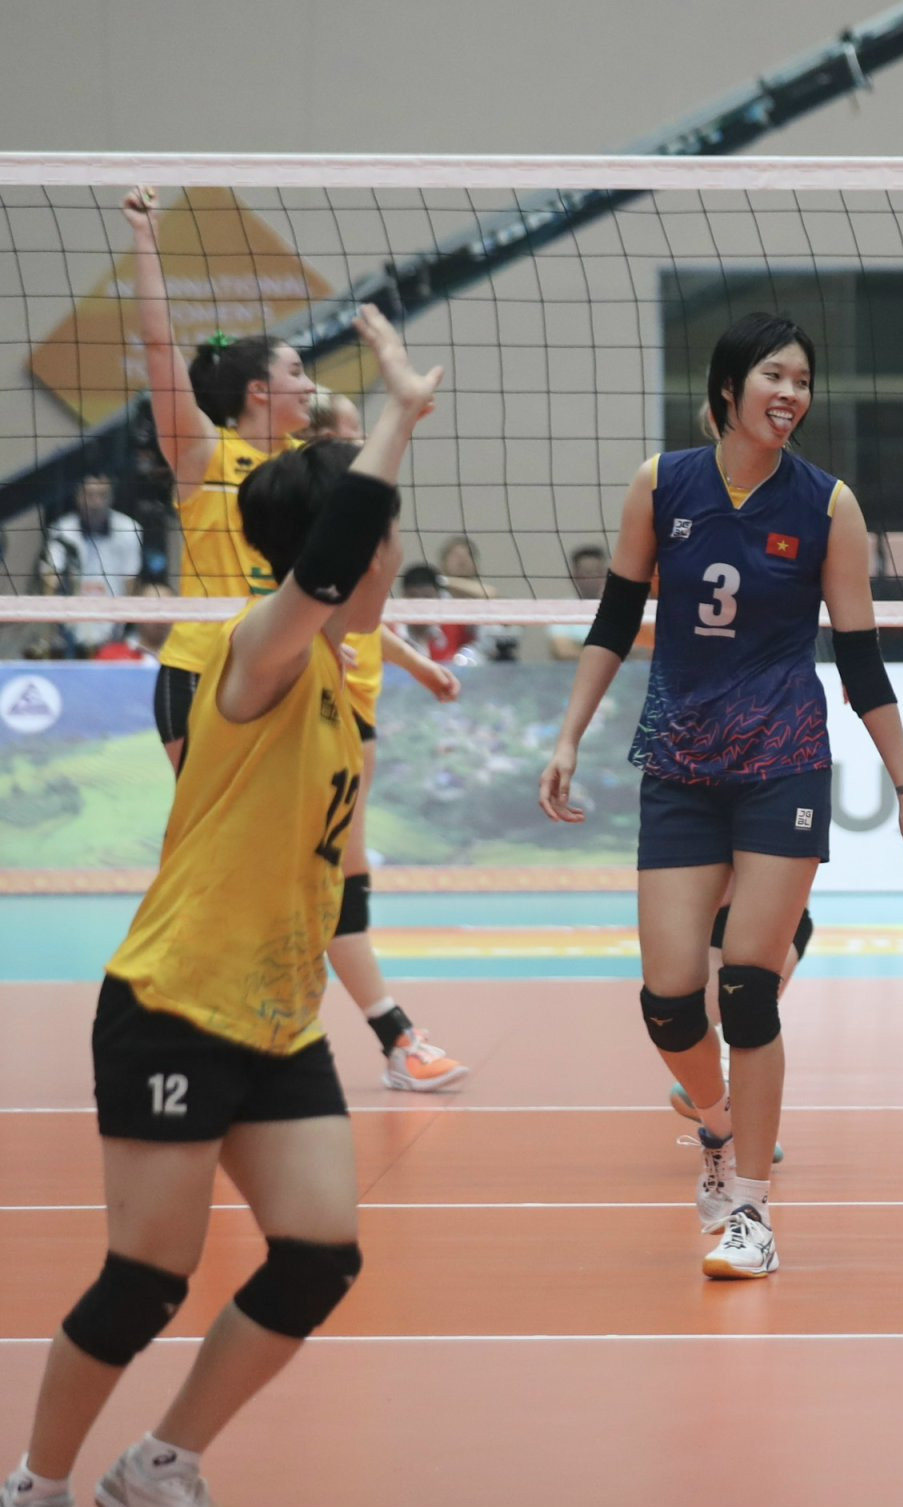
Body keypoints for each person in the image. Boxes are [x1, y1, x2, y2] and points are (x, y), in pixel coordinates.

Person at [1, 306, 438, 1507]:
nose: (393, 562)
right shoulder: (261, 654)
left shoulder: (336, 670)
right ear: (344, 556)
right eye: (385, 545)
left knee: (317, 1256)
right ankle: (36, 1483)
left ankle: (160, 1462)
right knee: (145, 1280)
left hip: (276, 1017)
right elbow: (331, 557)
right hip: (177, 1004)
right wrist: (396, 418)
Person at [540, 311, 903, 1280]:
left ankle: (752, 1213)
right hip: (679, 762)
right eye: (774, 375)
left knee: (748, 988)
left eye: (802, 380)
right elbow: (614, 618)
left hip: (782, 759)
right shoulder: (661, 484)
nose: (791, 394)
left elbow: (860, 659)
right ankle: (716, 1127)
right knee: (669, 1001)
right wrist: (568, 734)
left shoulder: (827, 504)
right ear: (728, 387)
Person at [300, 389, 471, 1093]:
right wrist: (312, 645)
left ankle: (383, 1036)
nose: (360, 437)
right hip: (315, 713)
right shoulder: (305, 515)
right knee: (322, 879)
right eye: (348, 428)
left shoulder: (355, 521)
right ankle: (394, 1036)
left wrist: (418, 664)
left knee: (340, 876)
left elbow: (365, 618)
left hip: (354, 717)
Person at [121, 188, 318, 773]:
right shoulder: (203, 453)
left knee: (280, 822)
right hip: (201, 666)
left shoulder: (313, 467)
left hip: (285, 671)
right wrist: (146, 237)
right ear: (259, 391)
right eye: (296, 372)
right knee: (202, 822)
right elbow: (160, 349)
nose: (309, 385)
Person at [40, 475, 145, 655]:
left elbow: (131, 583)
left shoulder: (129, 529)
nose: (96, 502)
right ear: (78, 497)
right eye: (90, 495)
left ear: (111, 497)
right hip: (71, 632)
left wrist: (121, 627)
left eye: (102, 495)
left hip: (113, 630)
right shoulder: (61, 530)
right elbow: (50, 580)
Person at [91, 579, 176, 663]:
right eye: (152, 609)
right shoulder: (110, 655)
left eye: (167, 609)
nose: (160, 617)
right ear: (137, 613)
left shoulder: (181, 658)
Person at [550, 545, 612, 660]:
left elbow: (636, 650)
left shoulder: (619, 608)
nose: (593, 578)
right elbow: (562, 651)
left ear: (606, 574)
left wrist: (579, 647)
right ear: (574, 576)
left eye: (597, 572)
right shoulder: (561, 609)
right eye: (587, 573)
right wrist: (609, 653)